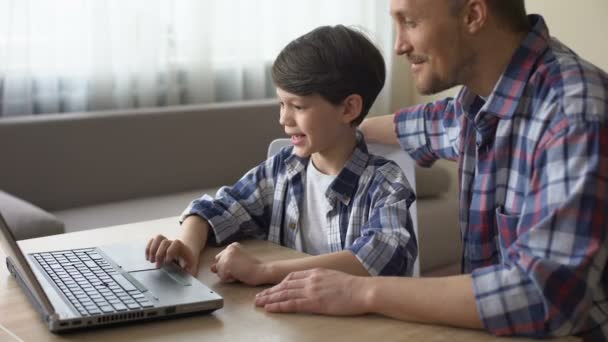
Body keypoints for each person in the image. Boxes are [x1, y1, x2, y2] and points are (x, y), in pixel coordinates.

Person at [254, 0, 608, 340]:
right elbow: (423, 123)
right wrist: (335, 130)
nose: (399, 46)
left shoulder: (574, 113)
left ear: (473, 15)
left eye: (410, 22)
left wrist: (362, 291)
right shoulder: (478, 106)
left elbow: (541, 295)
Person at [145, 25, 418, 287]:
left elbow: (374, 259)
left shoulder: (386, 183)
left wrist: (264, 271)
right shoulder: (283, 169)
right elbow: (216, 208)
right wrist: (186, 244)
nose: (283, 119)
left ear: (348, 108)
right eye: (281, 103)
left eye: (297, 106)